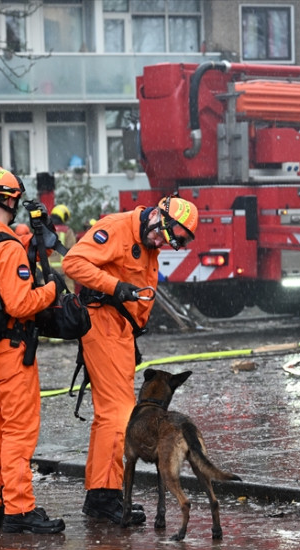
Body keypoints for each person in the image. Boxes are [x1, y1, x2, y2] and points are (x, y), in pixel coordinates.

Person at [61, 195, 199, 525]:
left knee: (108, 416)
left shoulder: (149, 243)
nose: (161, 244)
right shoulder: (116, 229)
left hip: (120, 332)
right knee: (118, 414)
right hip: (103, 326)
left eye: (169, 242)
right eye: (163, 235)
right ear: (157, 216)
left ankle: (100, 495)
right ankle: (107, 496)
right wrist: (115, 286)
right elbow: (73, 263)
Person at [0, 166, 64, 534]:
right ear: (10, 200)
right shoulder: (6, 247)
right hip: (11, 351)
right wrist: (52, 290)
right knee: (18, 433)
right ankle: (20, 510)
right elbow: (21, 304)